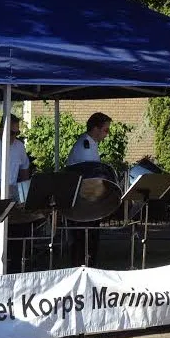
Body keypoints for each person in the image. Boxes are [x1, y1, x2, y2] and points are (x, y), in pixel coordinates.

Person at [66, 112, 112, 267]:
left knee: (88, 242)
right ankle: (83, 271)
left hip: (85, 202)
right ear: (95, 129)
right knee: (84, 242)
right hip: (82, 203)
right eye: (106, 130)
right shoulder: (85, 147)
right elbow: (91, 177)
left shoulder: (89, 143)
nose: (107, 134)